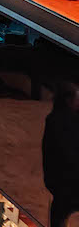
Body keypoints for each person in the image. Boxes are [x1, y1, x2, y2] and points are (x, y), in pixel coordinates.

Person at [42, 80, 79, 227]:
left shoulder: (56, 118)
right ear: (69, 100)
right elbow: (67, 154)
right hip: (67, 182)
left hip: (60, 183)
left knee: (59, 214)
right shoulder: (60, 123)